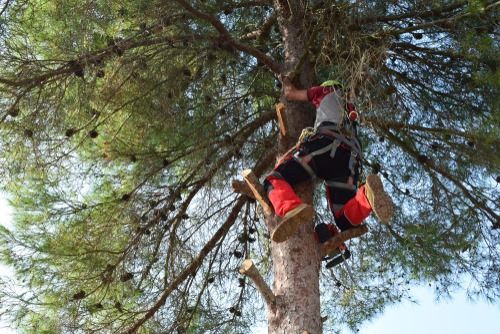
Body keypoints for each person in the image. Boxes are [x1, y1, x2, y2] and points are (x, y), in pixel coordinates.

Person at [264, 77, 394, 244]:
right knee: (344, 220)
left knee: (273, 179)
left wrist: (286, 81)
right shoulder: (350, 108)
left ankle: (291, 208)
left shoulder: (325, 91)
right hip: (349, 160)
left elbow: (291, 94)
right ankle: (367, 196)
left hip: (325, 145)